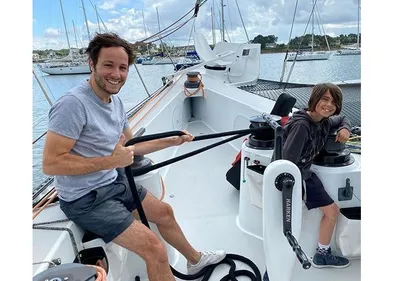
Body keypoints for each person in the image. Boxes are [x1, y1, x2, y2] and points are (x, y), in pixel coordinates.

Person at [42, 32, 225, 281]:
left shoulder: (114, 102)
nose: (116, 74)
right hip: (85, 199)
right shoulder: (72, 105)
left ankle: (195, 261)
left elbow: (131, 145)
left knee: (165, 213)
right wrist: (111, 162)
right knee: (155, 249)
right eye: (108, 65)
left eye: (122, 67)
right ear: (92, 64)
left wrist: (172, 140)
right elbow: (51, 163)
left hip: (113, 183)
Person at [263, 83, 351, 281]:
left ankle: (322, 254)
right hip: (288, 180)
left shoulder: (323, 121)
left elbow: (342, 119)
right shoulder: (302, 126)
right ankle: (271, 272)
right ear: (315, 99)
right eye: (325, 99)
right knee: (284, 226)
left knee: (331, 211)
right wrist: (292, 196)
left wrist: (344, 128)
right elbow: (287, 164)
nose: (329, 105)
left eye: (334, 102)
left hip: (304, 173)